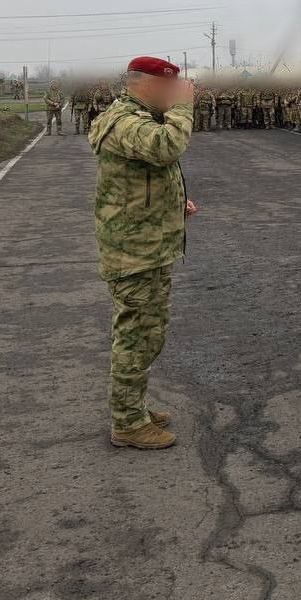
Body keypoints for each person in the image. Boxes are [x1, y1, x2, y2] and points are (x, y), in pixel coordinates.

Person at [89, 56, 197, 449]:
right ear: (148, 86)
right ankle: (127, 423)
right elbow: (167, 147)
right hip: (135, 252)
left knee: (147, 334)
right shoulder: (125, 121)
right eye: (170, 88)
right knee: (136, 336)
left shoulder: (137, 117)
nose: (175, 94)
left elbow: (145, 176)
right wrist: (185, 106)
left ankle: (133, 408)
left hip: (146, 245)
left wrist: (177, 201)